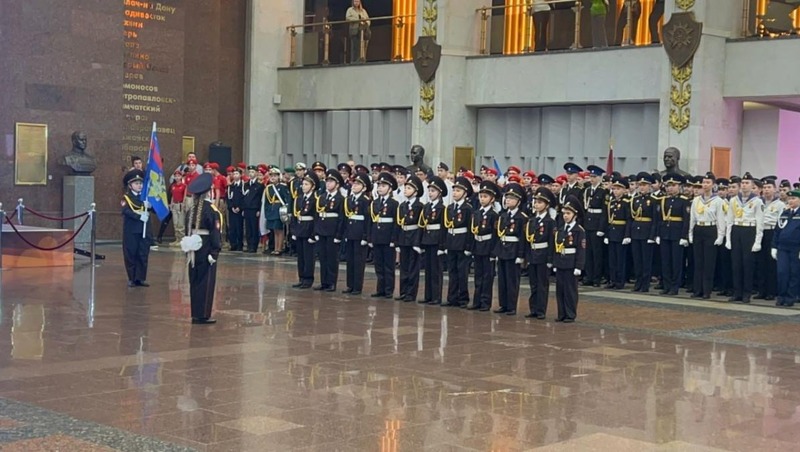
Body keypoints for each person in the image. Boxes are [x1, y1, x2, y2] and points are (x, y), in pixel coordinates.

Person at [182, 173, 223, 325]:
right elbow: (215, 233)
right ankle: (203, 315)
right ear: (209, 192)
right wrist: (215, 252)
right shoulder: (212, 210)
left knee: (194, 280)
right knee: (206, 282)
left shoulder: (191, 210)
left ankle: (195, 313)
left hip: (193, 249)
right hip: (206, 248)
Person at [725, 173, 764, 304]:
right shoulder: (734, 200)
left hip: (749, 230)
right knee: (736, 264)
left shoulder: (757, 201)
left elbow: (760, 223)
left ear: (752, 186)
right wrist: (728, 239)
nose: (744, 185)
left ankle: (747, 293)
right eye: (742, 183)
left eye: (747, 183)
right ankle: (737, 292)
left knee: (747, 264)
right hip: (737, 230)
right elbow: (729, 220)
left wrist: (757, 241)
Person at [689, 172, 727, 299]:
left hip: (711, 229)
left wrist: (720, 235)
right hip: (698, 228)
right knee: (698, 261)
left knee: (708, 262)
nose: (705, 185)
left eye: (708, 183)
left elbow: (720, 219)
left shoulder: (718, 201)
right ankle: (697, 289)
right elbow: (692, 218)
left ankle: (706, 290)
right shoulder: (696, 200)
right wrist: (690, 233)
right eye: (704, 182)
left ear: (713, 185)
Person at [493, 183, 528, 315]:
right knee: (502, 279)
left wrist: (520, 255)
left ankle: (512, 305)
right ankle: (503, 304)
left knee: (512, 279)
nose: (508, 201)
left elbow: (522, 238)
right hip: (502, 249)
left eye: (512, 198)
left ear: (518, 201)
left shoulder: (522, 217)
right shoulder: (503, 216)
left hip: (513, 250)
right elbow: (499, 235)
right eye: (507, 198)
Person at [553, 197, 586, 323]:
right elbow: (556, 248)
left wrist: (579, 266)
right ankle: (561, 313)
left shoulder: (579, 231)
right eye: (564, 213)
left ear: (575, 215)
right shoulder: (561, 229)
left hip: (571, 263)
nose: (565, 216)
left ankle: (570, 314)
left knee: (570, 290)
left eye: (568, 213)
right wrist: (555, 263)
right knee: (560, 290)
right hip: (561, 262)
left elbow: (581, 250)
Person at [656, 173, 690, 296]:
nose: (670, 188)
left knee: (676, 262)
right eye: (668, 186)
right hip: (665, 233)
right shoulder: (663, 200)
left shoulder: (684, 201)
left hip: (677, 234)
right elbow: (659, 219)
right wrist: (658, 234)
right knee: (665, 261)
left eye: (673, 185)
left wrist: (684, 236)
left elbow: (686, 220)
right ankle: (666, 285)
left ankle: (675, 287)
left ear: (679, 186)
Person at [525, 188, 557, 319]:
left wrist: (550, 259)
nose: (537, 205)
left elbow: (551, 242)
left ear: (547, 205)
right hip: (533, 254)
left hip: (543, 255)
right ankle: (533, 308)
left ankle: (541, 310)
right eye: (536, 202)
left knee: (542, 284)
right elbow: (528, 240)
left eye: (540, 202)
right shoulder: (532, 220)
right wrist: (527, 256)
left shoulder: (550, 222)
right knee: (533, 284)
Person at [443, 177, 475, 308]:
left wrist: (468, 246)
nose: (455, 193)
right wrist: (445, 244)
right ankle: (452, 297)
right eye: (454, 190)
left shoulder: (468, 209)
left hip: (462, 243)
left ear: (465, 193)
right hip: (451, 242)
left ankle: (463, 298)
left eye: (458, 191)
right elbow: (446, 227)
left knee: (462, 272)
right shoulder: (450, 208)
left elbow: (470, 229)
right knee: (452, 271)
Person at [313, 169, 346, 291]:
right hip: (322, 230)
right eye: (327, 181)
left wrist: (338, 235)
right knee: (323, 257)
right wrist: (316, 231)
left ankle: (331, 282)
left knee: (332, 258)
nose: (328, 184)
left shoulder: (340, 199)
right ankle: (324, 281)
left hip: (332, 231)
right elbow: (317, 215)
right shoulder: (322, 197)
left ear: (337, 185)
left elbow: (341, 218)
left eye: (331, 182)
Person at [369, 172, 400, 299]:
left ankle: (388, 289)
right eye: (379, 186)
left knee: (388, 265)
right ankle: (380, 288)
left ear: (390, 188)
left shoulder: (394, 203)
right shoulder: (375, 203)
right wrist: (370, 237)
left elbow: (396, 223)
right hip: (377, 236)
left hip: (388, 237)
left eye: (383, 186)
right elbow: (371, 221)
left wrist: (393, 239)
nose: (380, 188)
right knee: (379, 265)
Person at [470, 180, 500, 311]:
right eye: (481, 196)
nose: (482, 199)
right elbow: (473, 231)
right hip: (478, 246)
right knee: (478, 275)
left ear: (492, 199)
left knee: (487, 276)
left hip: (488, 247)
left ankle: (485, 302)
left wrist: (493, 252)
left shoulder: (494, 215)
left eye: (485, 197)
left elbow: (495, 234)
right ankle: (476, 300)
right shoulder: (477, 213)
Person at [395, 175, 425, 302]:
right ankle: (403, 291)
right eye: (406, 188)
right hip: (403, 237)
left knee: (413, 267)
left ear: (416, 191)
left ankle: (411, 293)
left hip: (413, 237)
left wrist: (417, 242)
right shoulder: (402, 205)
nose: (406, 190)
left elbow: (420, 225)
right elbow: (398, 224)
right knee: (404, 266)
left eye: (409, 188)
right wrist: (397, 242)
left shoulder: (420, 206)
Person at [419, 176, 448, 305]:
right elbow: (423, 225)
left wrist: (442, 245)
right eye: (429, 191)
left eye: (433, 191)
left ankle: (436, 296)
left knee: (436, 270)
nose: (430, 193)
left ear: (440, 193)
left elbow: (443, 228)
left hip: (436, 240)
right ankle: (428, 295)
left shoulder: (442, 208)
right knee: (428, 269)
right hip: (428, 239)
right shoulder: (426, 207)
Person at [343, 173, 373, 295]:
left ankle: (357, 286)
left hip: (360, 234)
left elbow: (367, 220)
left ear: (364, 188)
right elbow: (346, 218)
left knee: (358, 261)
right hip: (350, 232)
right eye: (354, 183)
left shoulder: (365, 201)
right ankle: (350, 285)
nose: (354, 186)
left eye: (358, 184)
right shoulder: (349, 199)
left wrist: (365, 236)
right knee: (350, 260)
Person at [121, 169, 151, 287]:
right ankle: (132, 278)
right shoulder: (126, 198)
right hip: (131, 230)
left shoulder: (145, 198)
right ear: (130, 185)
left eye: (141, 183)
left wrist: (150, 206)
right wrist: (139, 217)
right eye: (136, 183)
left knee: (143, 254)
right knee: (131, 254)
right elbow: (125, 211)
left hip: (144, 230)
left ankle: (140, 278)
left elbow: (153, 210)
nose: (139, 186)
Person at [756, 178, 785, 301]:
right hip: (760, 232)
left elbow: (781, 223)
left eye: (769, 187)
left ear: (775, 189)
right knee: (760, 262)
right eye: (765, 188)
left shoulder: (780, 204)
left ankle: (771, 291)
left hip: (772, 231)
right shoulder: (759, 202)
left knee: (771, 264)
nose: (766, 190)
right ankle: (761, 290)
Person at [291, 172, 320, 289]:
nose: (303, 186)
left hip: (309, 228)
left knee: (309, 256)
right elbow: (294, 215)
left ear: (313, 186)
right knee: (301, 256)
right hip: (300, 228)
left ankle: (308, 278)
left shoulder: (315, 199)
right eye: (303, 184)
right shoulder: (299, 198)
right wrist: (294, 231)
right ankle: (301, 277)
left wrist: (314, 233)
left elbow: (316, 218)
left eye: (307, 184)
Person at [630, 172, 658, 293]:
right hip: (636, 232)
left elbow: (655, 220)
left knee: (646, 260)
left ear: (650, 186)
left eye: (644, 185)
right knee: (637, 260)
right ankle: (638, 282)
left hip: (647, 232)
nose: (642, 187)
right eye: (640, 185)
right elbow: (632, 218)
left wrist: (652, 235)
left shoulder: (653, 200)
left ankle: (645, 284)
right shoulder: (635, 200)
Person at [772, 189, 800, 307]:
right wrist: (774, 246)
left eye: (793, 198)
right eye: (789, 199)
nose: (790, 201)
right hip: (782, 247)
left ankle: (790, 297)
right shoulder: (785, 213)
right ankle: (781, 296)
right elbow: (777, 230)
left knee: (794, 273)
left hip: (796, 248)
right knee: (782, 272)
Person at [582, 165, 608, 287]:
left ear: (599, 178)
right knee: (588, 252)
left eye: (594, 177)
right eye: (591, 176)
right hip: (588, 223)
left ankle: (597, 278)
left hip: (597, 224)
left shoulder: (603, 191)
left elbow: (604, 212)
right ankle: (589, 276)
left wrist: (601, 228)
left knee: (597, 253)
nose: (592, 179)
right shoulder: (587, 190)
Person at [605, 177, 632, 290]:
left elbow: (628, 220)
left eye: (618, 189)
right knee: (612, 259)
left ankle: (620, 281)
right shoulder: (611, 202)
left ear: (624, 190)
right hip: (612, 232)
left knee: (620, 259)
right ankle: (613, 280)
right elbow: (608, 220)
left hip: (621, 233)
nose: (615, 191)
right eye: (614, 189)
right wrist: (607, 234)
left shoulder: (627, 202)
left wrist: (627, 235)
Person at [262, 168, 291, 256]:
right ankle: (275, 248)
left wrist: (287, 211)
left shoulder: (283, 187)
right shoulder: (268, 188)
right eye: (271, 176)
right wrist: (267, 212)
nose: (273, 177)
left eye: (275, 176)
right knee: (274, 230)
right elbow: (267, 202)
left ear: (279, 177)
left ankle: (279, 248)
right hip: (272, 210)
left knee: (279, 229)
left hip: (280, 210)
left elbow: (287, 199)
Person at [242, 165, 264, 252]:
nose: (251, 174)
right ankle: (249, 245)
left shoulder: (259, 185)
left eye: (253, 172)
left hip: (254, 209)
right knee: (248, 228)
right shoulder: (246, 184)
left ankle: (254, 246)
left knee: (254, 227)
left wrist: (259, 209)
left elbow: (260, 199)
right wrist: (243, 208)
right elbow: (244, 197)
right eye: (250, 172)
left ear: (256, 173)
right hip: (247, 208)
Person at [227, 168, 245, 251]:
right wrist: (231, 207)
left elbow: (244, 197)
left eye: (237, 174)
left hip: (240, 210)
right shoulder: (231, 186)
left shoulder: (243, 185)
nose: (235, 175)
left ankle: (239, 245)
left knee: (239, 227)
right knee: (232, 228)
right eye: (234, 174)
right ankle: (233, 244)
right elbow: (229, 198)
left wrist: (240, 207)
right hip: (232, 210)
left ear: (240, 175)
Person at [168, 170, 187, 246]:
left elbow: (185, 195)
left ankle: (182, 239)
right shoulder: (173, 186)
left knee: (181, 223)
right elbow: (173, 196)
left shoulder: (184, 186)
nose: (177, 178)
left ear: (181, 177)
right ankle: (177, 239)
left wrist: (183, 204)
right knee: (175, 223)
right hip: (174, 205)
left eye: (178, 176)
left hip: (180, 204)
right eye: (175, 176)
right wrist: (171, 203)